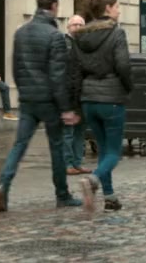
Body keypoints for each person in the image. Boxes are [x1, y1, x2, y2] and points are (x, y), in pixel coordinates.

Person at [0, 0, 83, 212]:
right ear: (53, 6)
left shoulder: (21, 33)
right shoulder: (55, 36)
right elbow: (58, 76)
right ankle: (62, 194)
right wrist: (66, 108)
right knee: (57, 147)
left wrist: (24, 90)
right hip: (49, 101)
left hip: (27, 99)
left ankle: (3, 183)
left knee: (19, 144)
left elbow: (15, 68)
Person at [73, 0, 133, 212]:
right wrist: (128, 86)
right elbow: (123, 64)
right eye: (117, 6)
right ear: (107, 8)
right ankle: (93, 180)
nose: (119, 10)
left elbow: (76, 70)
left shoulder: (80, 36)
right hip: (111, 97)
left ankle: (109, 197)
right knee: (113, 152)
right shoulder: (116, 33)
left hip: (89, 98)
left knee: (103, 149)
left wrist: (78, 99)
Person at [62, 15, 91, 175]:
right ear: (68, 27)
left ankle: (77, 162)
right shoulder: (63, 44)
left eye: (81, 25)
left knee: (80, 131)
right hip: (67, 94)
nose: (78, 28)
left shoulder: (86, 45)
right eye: (75, 25)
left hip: (83, 94)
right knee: (68, 131)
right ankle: (67, 164)